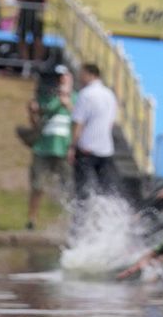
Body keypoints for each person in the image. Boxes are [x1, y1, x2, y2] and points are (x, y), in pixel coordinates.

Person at [27, 65, 73, 229]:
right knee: (37, 185)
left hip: (63, 149)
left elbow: (78, 121)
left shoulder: (74, 97)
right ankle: (31, 220)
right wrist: (32, 112)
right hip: (43, 147)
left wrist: (67, 101)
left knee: (68, 186)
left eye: (63, 77)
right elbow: (35, 125)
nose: (59, 80)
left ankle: (71, 222)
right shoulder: (43, 97)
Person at [71, 63, 119, 197]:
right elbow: (111, 123)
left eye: (82, 74)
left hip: (86, 147)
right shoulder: (110, 95)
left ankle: (82, 216)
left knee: (82, 190)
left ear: (90, 74)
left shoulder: (85, 94)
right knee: (104, 190)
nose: (80, 78)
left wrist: (72, 146)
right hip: (105, 148)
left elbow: (78, 123)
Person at [14, 0, 53, 65]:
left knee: (38, 40)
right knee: (22, 39)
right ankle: (25, 63)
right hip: (25, 14)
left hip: (38, 15)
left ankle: (37, 63)